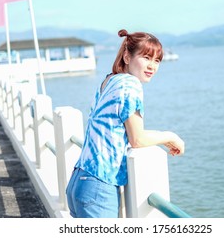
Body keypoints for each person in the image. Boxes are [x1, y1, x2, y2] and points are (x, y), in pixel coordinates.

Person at [66, 29, 185, 218]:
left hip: (79, 180)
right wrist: (170, 136)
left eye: (156, 61)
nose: (152, 66)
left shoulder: (109, 80)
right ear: (127, 57)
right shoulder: (131, 84)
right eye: (146, 57)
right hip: (99, 185)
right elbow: (137, 139)